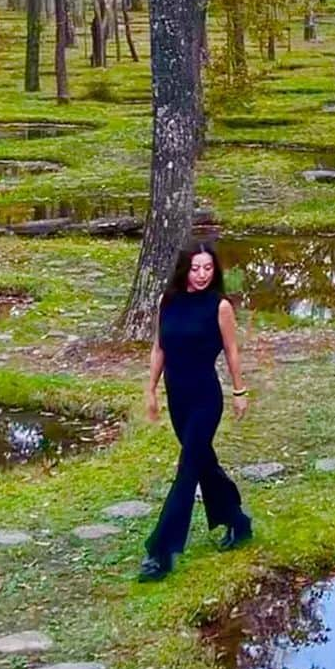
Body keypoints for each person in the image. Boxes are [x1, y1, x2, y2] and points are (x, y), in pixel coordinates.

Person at [138, 239, 252, 582]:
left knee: (187, 471)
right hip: (178, 399)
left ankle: (161, 552)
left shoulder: (220, 307)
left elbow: (232, 351)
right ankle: (237, 521)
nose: (202, 275)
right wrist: (151, 390)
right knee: (203, 464)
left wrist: (239, 390)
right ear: (185, 268)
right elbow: (160, 348)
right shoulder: (167, 301)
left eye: (208, 268)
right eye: (196, 267)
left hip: (205, 399)